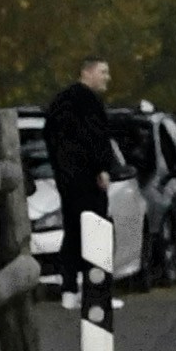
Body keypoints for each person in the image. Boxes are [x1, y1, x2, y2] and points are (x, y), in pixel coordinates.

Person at [42, 56, 118, 295]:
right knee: (96, 230)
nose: (107, 77)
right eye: (103, 72)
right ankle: (96, 289)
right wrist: (102, 169)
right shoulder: (90, 102)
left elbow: (49, 136)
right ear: (87, 72)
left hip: (66, 179)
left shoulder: (59, 102)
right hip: (88, 180)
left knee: (73, 230)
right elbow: (94, 138)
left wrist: (59, 168)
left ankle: (69, 287)